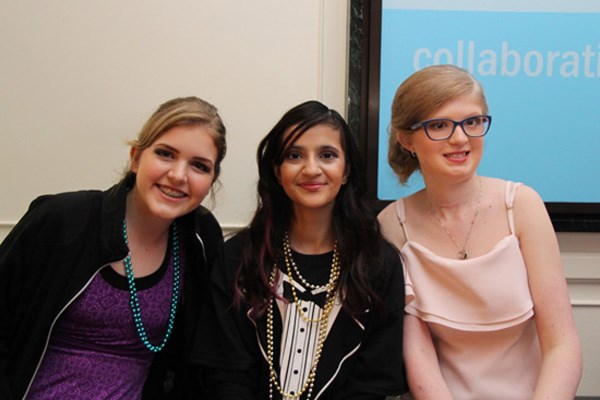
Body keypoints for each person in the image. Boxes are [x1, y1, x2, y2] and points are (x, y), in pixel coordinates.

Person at [0, 96, 227, 399]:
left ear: (211, 181)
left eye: (199, 166)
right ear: (135, 158)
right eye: (165, 154)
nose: (178, 175)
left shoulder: (199, 239)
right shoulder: (62, 219)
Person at [378, 64, 582, 400]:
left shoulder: (522, 205)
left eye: (472, 122)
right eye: (439, 125)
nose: (460, 138)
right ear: (406, 139)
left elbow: (562, 344)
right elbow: (418, 357)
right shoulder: (391, 225)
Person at [194, 100, 407, 399]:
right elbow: (225, 376)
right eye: (294, 155)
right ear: (277, 172)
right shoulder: (237, 258)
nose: (311, 168)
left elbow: (374, 383)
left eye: (327, 155)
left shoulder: (378, 264)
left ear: (346, 171)